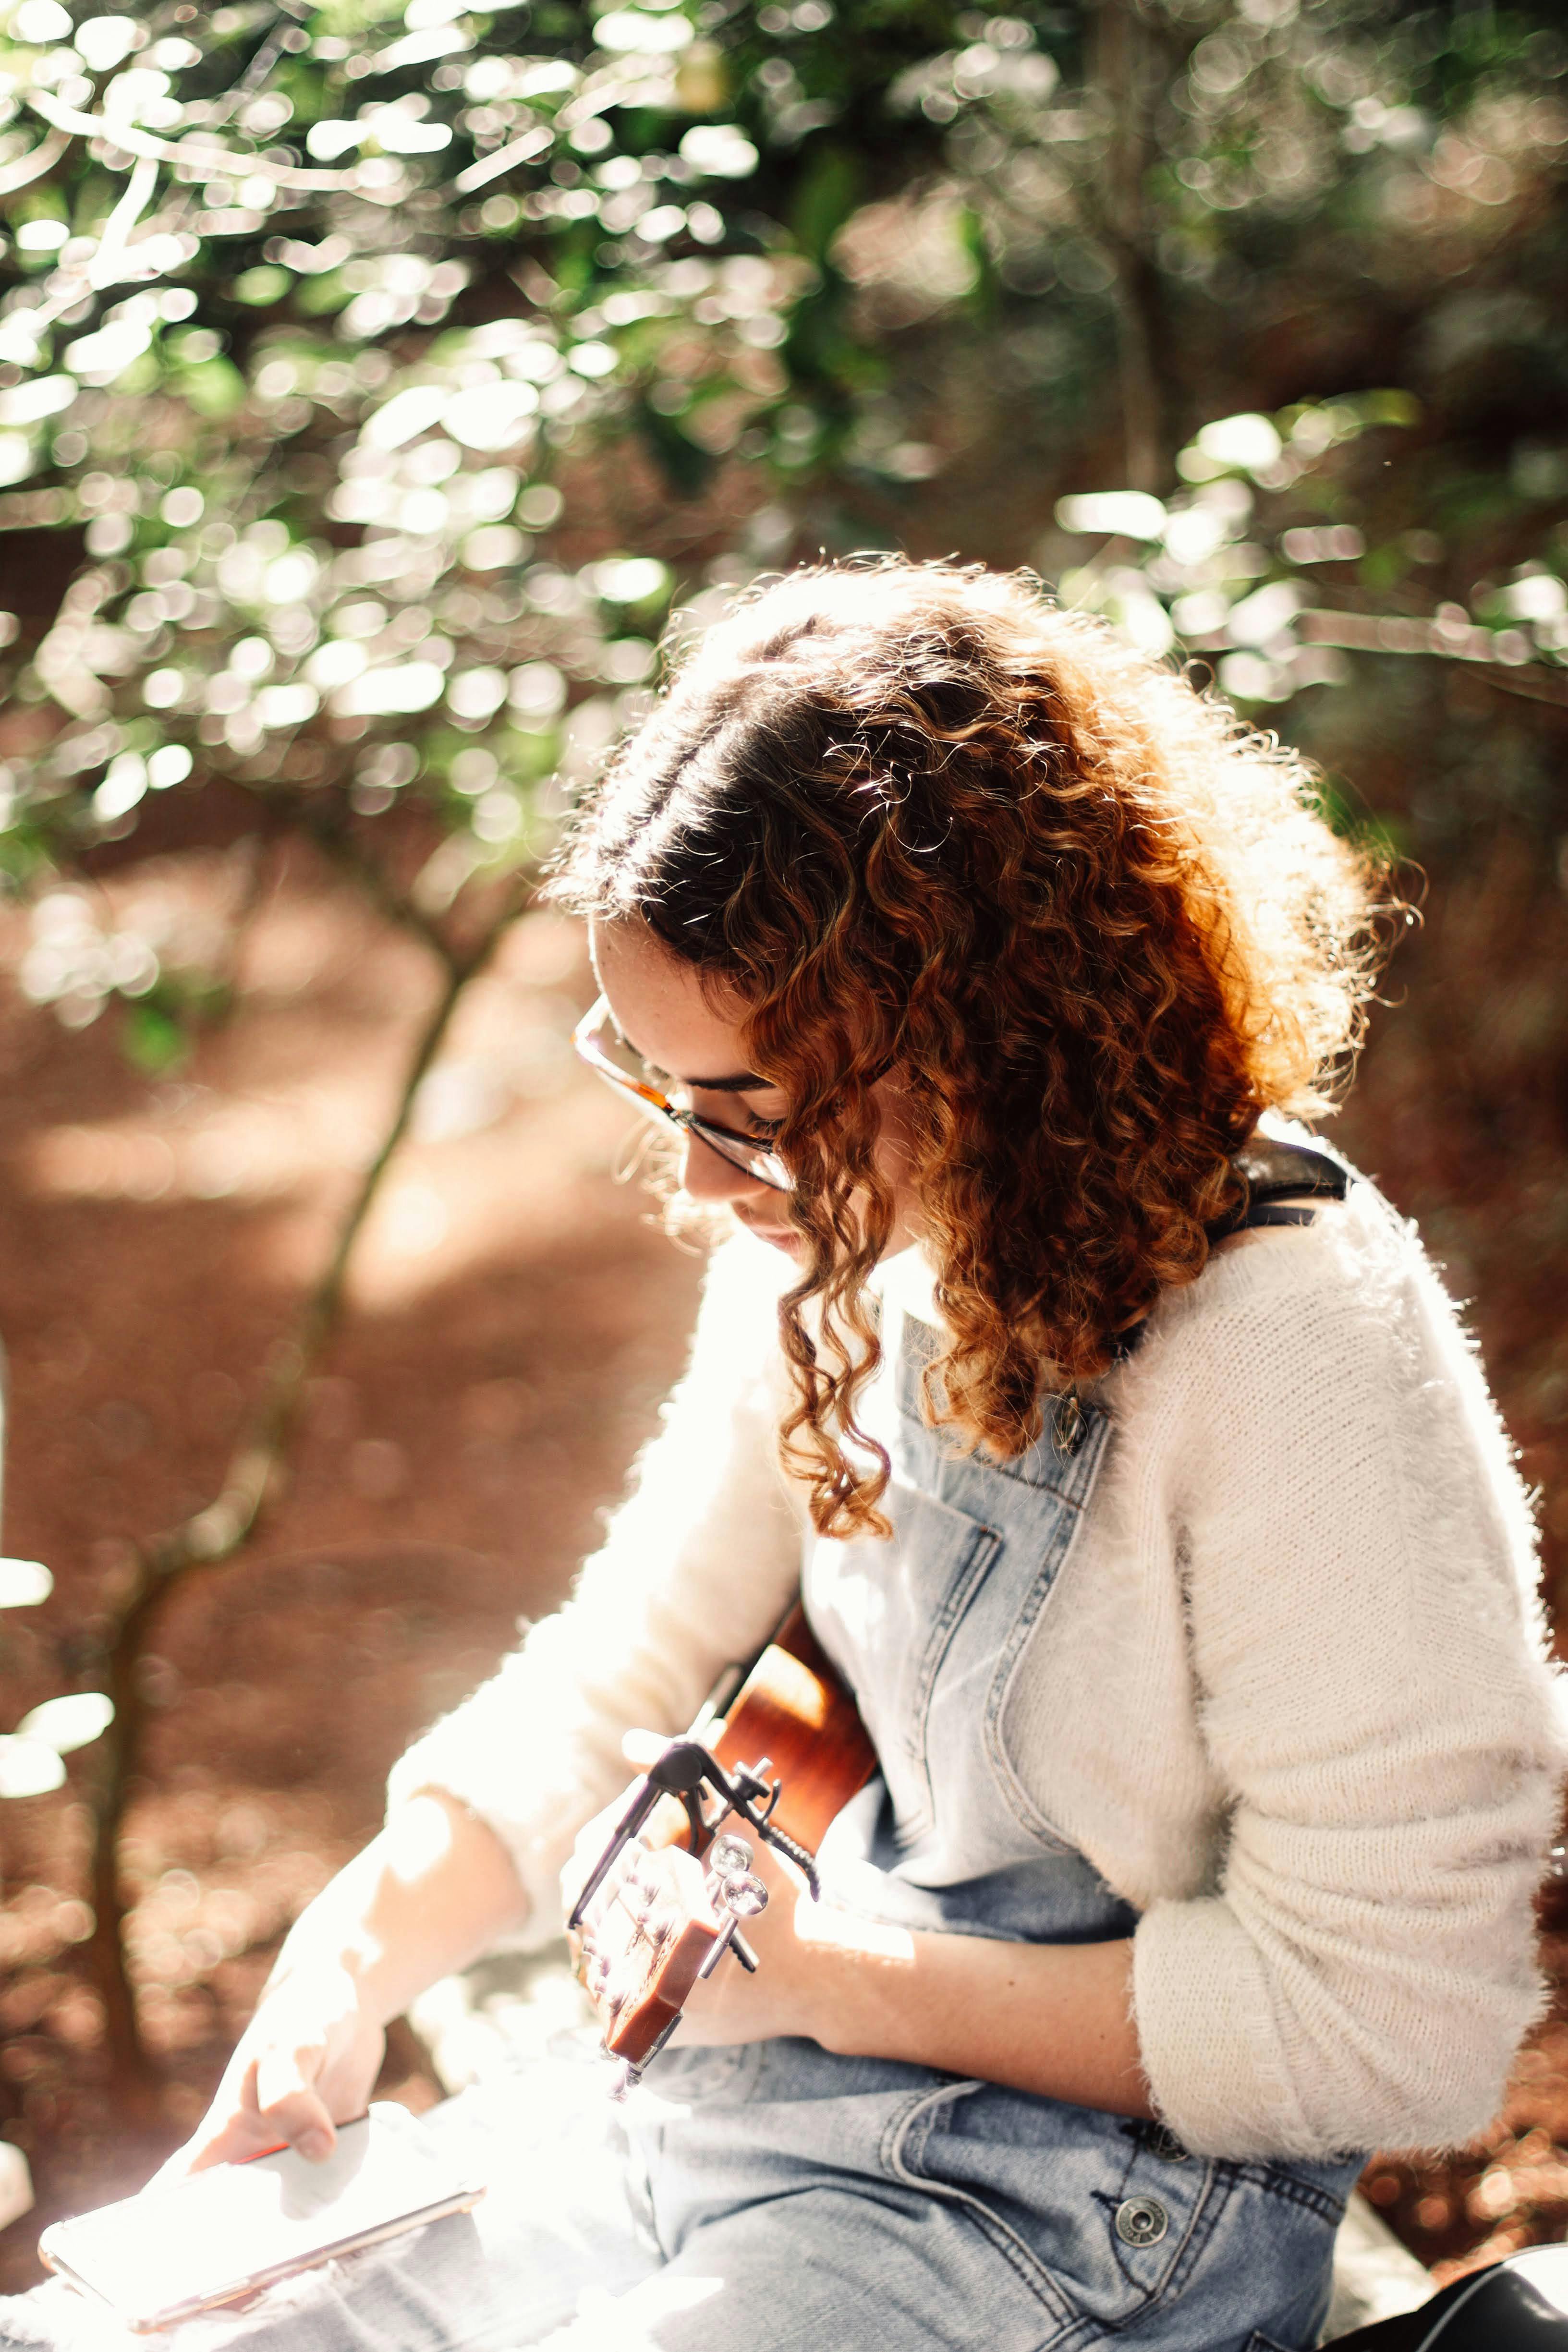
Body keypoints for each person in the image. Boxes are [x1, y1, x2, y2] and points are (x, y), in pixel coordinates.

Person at [6, 558, 1563, 2352]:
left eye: (747, 1114)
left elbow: (1391, 2020)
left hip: (1087, 2213)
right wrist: (349, 1960)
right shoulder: (846, 1248)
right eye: (659, 1093)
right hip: (739, 2096)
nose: (698, 1184)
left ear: (975, 1032)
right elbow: (623, 1665)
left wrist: (826, 1978)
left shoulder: (1293, 1344)